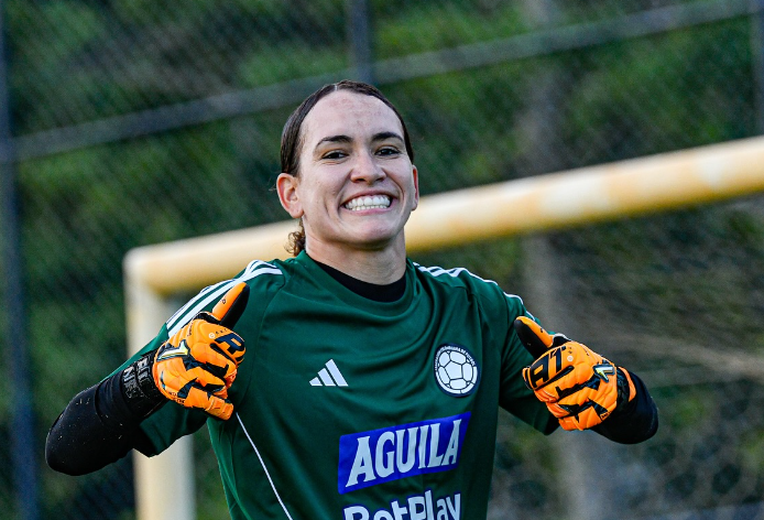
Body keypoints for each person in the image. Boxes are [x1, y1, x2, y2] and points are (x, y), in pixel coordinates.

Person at [46, 80, 658, 519]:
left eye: (387, 149)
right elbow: (68, 449)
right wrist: (148, 381)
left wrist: (616, 391)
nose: (367, 169)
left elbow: (636, 423)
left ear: (413, 184)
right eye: (335, 154)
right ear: (293, 194)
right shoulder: (245, 312)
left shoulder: (477, 309)